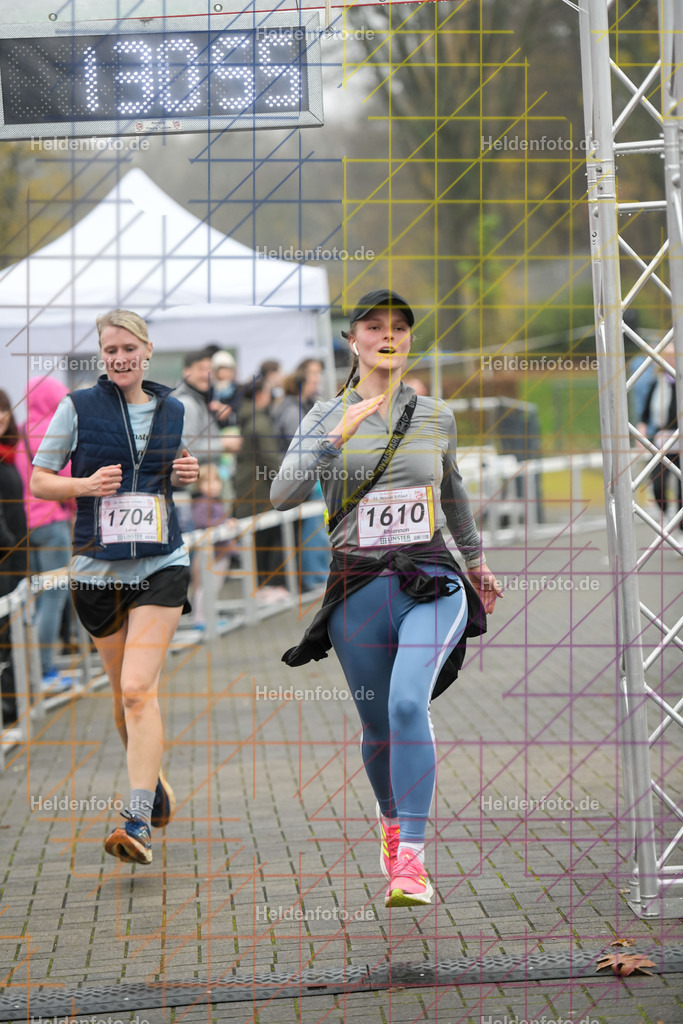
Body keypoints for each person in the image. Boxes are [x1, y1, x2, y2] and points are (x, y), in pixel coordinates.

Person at [271, 290, 502, 908]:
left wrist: (476, 563)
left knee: (406, 703)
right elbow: (281, 495)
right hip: (357, 585)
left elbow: (451, 495)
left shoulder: (437, 416)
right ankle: (391, 822)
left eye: (400, 326)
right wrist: (333, 437)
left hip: (430, 576)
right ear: (353, 340)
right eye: (374, 326)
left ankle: (412, 862)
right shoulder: (323, 414)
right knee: (377, 724)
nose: (388, 335)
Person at [30, 310, 199, 865]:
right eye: (110, 350)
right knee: (123, 696)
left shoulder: (174, 409)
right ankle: (151, 781)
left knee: (135, 689)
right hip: (96, 572)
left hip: (161, 565)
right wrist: (83, 484)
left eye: (129, 348)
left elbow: (169, 476)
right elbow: (39, 478)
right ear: (102, 356)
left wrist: (187, 474)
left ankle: (136, 820)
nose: (120, 358)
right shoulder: (76, 407)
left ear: (148, 350)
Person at [16, 377, 78, 694]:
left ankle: (32, 670)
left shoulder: (22, 429)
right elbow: (67, 480)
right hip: (53, 524)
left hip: (27, 526)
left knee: (38, 600)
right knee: (53, 600)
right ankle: (43, 672)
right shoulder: (54, 431)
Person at [272, 359, 330, 592]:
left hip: (307, 475)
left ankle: (317, 575)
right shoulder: (291, 408)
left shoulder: (304, 405)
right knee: (313, 529)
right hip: (300, 477)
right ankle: (315, 578)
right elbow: (301, 445)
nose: (317, 380)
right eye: (313, 376)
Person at [233, 378, 289, 602]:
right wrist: (289, 483)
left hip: (250, 488)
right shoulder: (259, 421)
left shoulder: (246, 417)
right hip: (260, 491)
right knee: (268, 539)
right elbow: (270, 460)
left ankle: (261, 588)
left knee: (258, 541)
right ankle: (269, 588)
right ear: (260, 395)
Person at [0, 390, 27, 748]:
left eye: (3, 411)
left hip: (16, 559)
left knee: (11, 639)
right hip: (5, 560)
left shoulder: (9, 456)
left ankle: (13, 703)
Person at [637, 343, 681, 526]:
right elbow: (645, 415)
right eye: (667, 356)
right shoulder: (657, 383)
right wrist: (641, 433)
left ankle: (681, 527)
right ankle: (668, 516)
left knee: (681, 490)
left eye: (674, 356)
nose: (670, 360)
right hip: (662, 441)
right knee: (657, 485)